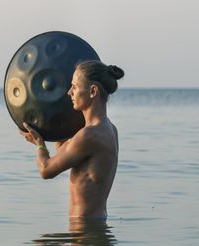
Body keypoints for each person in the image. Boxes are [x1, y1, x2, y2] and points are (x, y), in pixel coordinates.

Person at [20, 60, 124, 223]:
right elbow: (62, 153)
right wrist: (58, 126)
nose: (69, 92)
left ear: (92, 91)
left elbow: (46, 170)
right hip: (94, 225)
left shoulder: (89, 136)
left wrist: (39, 144)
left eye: (75, 87)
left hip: (86, 233)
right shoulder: (109, 129)